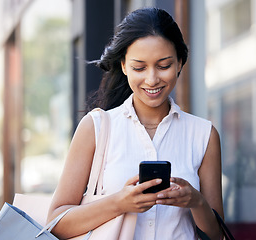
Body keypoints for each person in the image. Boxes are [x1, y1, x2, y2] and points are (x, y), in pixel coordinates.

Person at [47, 7, 223, 239]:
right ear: (123, 66)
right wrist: (119, 203)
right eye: (139, 67)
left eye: (164, 65)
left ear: (180, 63)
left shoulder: (203, 134)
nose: (152, 79)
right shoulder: (96, 127)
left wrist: (196, 202)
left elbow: (218, 235)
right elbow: (55, 223)